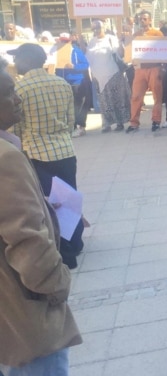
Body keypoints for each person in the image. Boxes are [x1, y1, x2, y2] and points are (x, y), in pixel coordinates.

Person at [0, 59, 82, 376]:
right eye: (9, 93)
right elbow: (27, 240)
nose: (18, 100)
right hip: (24, 311)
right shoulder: (6, 159)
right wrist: (57, 284)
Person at [9, 42, 84, 269]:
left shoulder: (20, 89)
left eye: (17, 58)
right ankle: (76, 242)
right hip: (65, 151)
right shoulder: (61, 83)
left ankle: (65, 254)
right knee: (69, 197)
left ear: (28, 59)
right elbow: (71, 120)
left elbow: (16, 129)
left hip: (37, 153)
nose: (14, 63)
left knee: (50, 205)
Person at [83, 20, 130, 133]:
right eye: (94, 28)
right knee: (104, 101)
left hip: (113, 74)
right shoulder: (92, 42)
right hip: (99, 77)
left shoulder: (111, 39)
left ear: (104, 27)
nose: (96, 30)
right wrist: (81, 43)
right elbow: (88, 57)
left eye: (98, 28)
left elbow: (120, 54)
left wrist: (120, 43)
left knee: (117, 99)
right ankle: (106, 124)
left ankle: (119, 123)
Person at [126, 10, 165, 133]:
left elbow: (164, 50)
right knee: (136, 96)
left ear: (150, 20)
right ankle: (133, 123)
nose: (142, 21)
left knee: (157, 96)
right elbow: (129, 52)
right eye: (140, 19)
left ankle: (156, 121)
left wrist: (163, 68)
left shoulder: (157, 34)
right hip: (140, 69)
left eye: (145, 19)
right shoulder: (136, 35)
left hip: (155, 68)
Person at [60, 37, 92, 138]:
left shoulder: (76, 51)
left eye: (65, 41)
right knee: (68, 107)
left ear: (70, 41)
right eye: (62, 41)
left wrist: (74, 66)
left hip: (77, 82)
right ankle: (72, 127)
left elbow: (86, 64)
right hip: (64, 83)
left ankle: (81, 126)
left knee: (79, 106)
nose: (64, 43)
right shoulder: (57, 53)